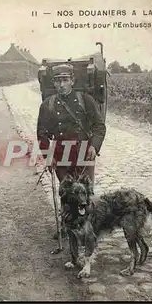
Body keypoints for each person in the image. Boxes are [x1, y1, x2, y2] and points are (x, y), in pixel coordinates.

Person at [36, 63, 106, 239]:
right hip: (62, 154)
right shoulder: (47, 105)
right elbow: (42, 133)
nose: (61, 85)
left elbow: (99, 126)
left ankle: (88, 227)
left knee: (85, 191)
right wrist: (48, 155)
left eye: (65, 80)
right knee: (67, 192)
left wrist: (94, 146)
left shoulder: (85, 100)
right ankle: (67, 227)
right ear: (53, 83)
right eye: (58, 81)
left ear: (72, 81)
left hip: (83, 152)